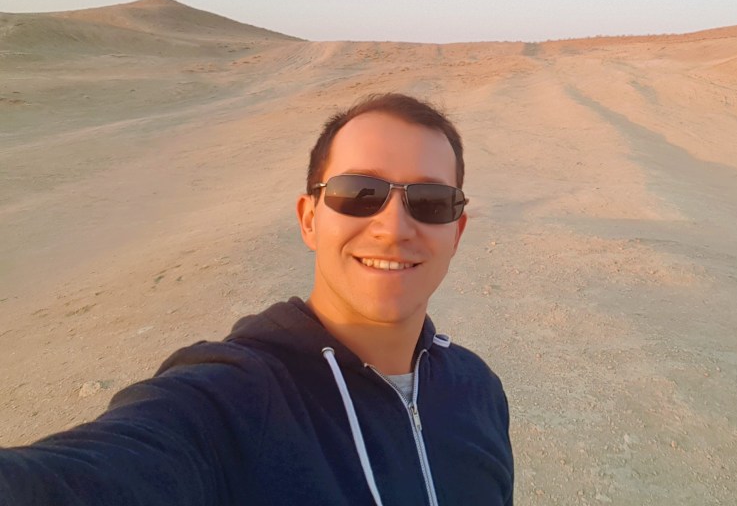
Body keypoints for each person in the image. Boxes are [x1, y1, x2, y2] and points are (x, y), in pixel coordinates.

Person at [0, 93, 514, 505]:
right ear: (309, 219)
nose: (394, 227)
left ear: (456, 232)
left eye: (430, 201)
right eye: (360, 193)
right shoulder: (235, 399)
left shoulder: (478, 391)